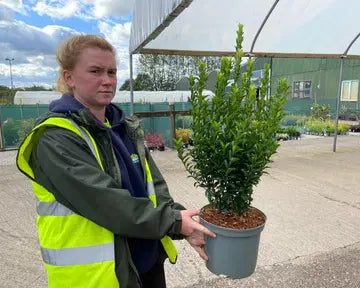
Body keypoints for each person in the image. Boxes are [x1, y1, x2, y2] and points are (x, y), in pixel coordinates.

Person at [16, 34, 215, 288]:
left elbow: (154, 189)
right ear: (69, 78)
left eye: (112, 71)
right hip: (99, 279)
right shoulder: (55, 139)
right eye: (95, 71)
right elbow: (107, 203)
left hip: (147, 266)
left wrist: (181, 223)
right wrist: (175, 222)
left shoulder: (124, 127)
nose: (107, 80)